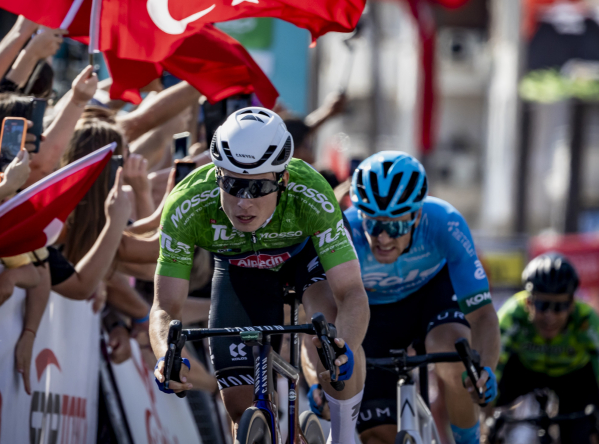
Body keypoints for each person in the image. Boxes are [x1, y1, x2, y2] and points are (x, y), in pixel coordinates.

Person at [150, 107, 369, 443]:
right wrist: (166, 353)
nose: (243, 202)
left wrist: (347, 346)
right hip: (241, 267)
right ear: (217, 173)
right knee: (241, 408)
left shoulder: (310, 193)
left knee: (328, 325)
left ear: (283, 179)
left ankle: (343, 437)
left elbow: (352, 292)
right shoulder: (187, 203)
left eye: (258, 187)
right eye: (233, 184)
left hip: (303, 256)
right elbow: (165, 307)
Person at [339, 151, 500, 444]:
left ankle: (468, 440)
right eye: (373, 224)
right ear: (360, 213)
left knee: (453, 357)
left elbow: (483, 316)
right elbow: (317, 313)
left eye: (396, 226)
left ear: (417, 216)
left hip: (431, 299)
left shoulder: (445, 223)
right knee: (379, 436)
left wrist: (485, 369)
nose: (384, 238)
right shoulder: (345, 232)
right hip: (374, 316)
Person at [496, 252, 599, 443]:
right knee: (486, 395)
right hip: (525, 371)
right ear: (528, 302)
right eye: (542, 305)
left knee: (579, 436)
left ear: (571, 305)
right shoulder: (512, 315)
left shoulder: (586, 320)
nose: (550, 316)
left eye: (559, 307)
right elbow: (493, 366)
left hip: (573, 377)